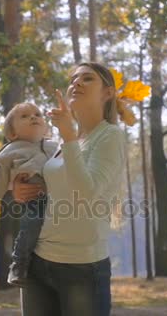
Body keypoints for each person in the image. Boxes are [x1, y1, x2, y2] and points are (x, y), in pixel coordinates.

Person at [13, 62, 130, 316]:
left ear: (107, 93)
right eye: (74, 78)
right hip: (38, 263)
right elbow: (54, 188)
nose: (76, 82)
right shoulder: (63, 143)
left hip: (82, 269)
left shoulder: (110, 136)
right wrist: (21, 188)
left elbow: (85, 195)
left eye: (87, 79)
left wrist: (67, 137)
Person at [0, 102, 58, 286]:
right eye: (24, 116)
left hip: (61, 198)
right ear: (13, 134)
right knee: (32, 223)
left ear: (45, 127)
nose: (33, 117)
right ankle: (19, 262)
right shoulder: (10, 152)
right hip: (34, 199)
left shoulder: (55, 146)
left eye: (37, 114)